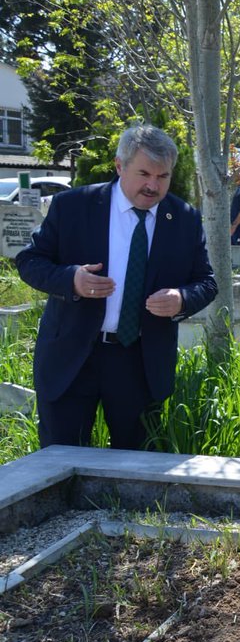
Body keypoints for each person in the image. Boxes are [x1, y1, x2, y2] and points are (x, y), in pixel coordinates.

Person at [14, 124, 217, 450]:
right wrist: (72, 279)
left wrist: (181, 299)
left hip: (139, 360)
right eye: (144, 174)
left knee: (134, 465)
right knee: (61, 460)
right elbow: (30, 261)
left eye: (163, 177)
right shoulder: (73, 207)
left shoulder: (183, 219)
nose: (153, 186)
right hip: (73, 355)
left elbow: (206, 283)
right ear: (119, 166)